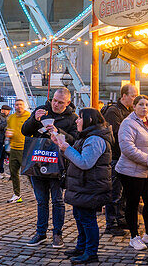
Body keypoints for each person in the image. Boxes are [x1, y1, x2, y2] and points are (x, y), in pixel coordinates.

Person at [53, 108, 113, 264]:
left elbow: (85, 162)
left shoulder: (95, 139)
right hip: (83, 185)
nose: (76, 121)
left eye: (80, 118)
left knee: (88, 219)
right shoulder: (87, 136)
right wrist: (62, 146)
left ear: (90, 120)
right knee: (80, 217)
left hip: (90, 186)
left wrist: (67, 148)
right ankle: (81, 247)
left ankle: (91, 252)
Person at [21, 87, 78, 248]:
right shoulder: (42, 110)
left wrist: (58, 132)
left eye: (60, 102)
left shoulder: (72, 118)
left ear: (67, 103)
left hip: (57, 163)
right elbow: (25, 130)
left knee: (57, 200)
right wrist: (35, 120)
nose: (56, 104)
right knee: (41, 200)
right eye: (54, 100)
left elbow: (74, 139)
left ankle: (57, 234)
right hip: (38, 161)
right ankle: (40, 233)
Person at [115, 94, 148, 251]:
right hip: (131, 171)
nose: (144, 107)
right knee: (132, 204)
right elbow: (127, 148)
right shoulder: (128, 124)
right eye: (140, 104)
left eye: (147, 104)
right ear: (133, 107)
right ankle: (134, 236)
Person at [100, 83, 136, 235]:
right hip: (115, 157)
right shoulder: (113, 111)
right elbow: (117, 134)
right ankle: (111, 223)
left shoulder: (127, 111)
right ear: (124, 96)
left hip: (124, 157)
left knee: (122, 192)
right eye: (133, 96)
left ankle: (120, 219)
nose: (134, 99)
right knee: (114, 191)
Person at [5, 97, 30, 203]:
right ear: (14, 106)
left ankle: (38, 193)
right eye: (16, 105)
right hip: (13, 149)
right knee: (13, 172)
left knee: (30, 173)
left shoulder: (29, 116)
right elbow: (8, 129)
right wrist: (8, 134)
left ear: (24, 106)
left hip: (26, 148)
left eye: (20, 104)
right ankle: (17, 194)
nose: (18, 106)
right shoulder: (11, 118)